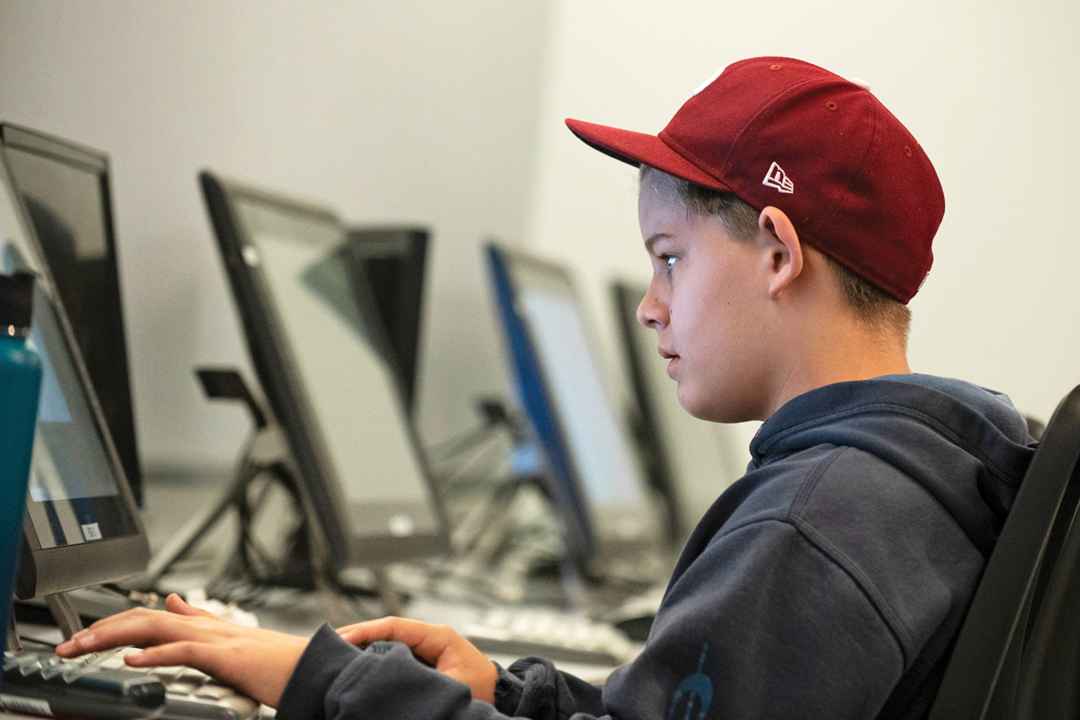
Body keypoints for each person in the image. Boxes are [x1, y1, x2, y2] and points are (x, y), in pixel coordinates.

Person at [57, 56, 1035, 719]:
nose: (649, 306)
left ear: (779, 254)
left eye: (670, 259)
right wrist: (511, 693)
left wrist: (319, 679)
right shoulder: (915, 479)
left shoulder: (820, 524)